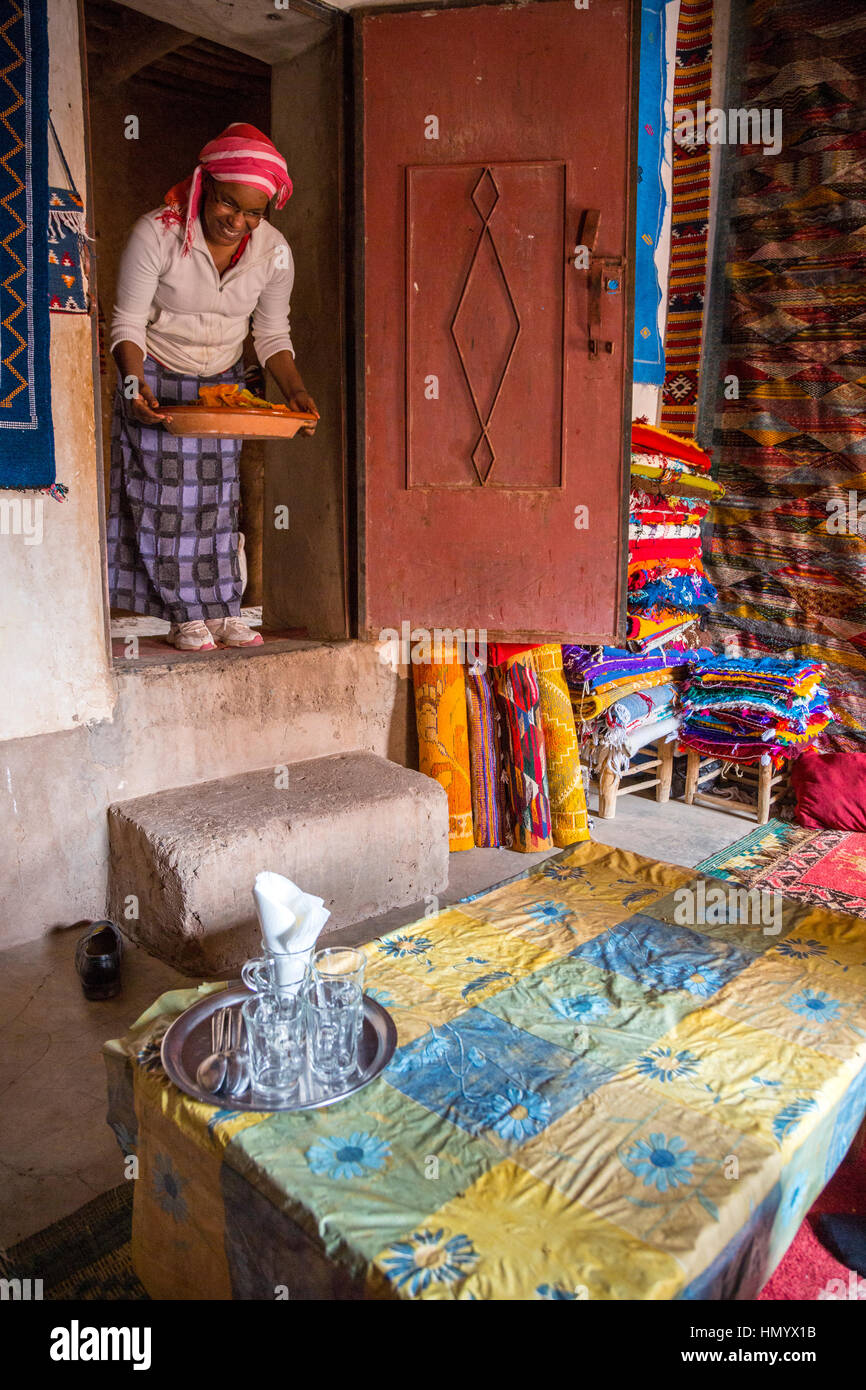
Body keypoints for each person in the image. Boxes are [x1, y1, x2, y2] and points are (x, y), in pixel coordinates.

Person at [108, 123, 316, 651]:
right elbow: (127, 323)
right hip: (153, 371)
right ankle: (183, 614)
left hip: (222, 381)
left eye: (253, 212)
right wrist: (133, 385)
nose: (238, 221)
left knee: (220, 498)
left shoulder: (273, 252)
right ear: (204, 186)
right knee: (165, 497)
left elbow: (271, 333)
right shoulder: (155, 234)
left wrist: (293, 390)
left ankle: (222, 607)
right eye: (228, 204)